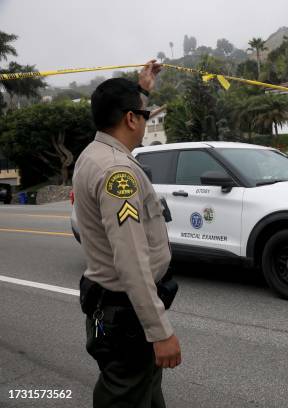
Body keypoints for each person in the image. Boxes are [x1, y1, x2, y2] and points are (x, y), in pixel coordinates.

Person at [73, 60, 181, 408]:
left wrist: (143, 88)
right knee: (125, 394)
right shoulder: (118, 172)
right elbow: (132, 260)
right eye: (144, 114)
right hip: (128, 320)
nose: (147, 121)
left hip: (117, 312)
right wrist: (160, 331)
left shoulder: (94, 153)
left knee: (145, 392)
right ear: (131, 119)